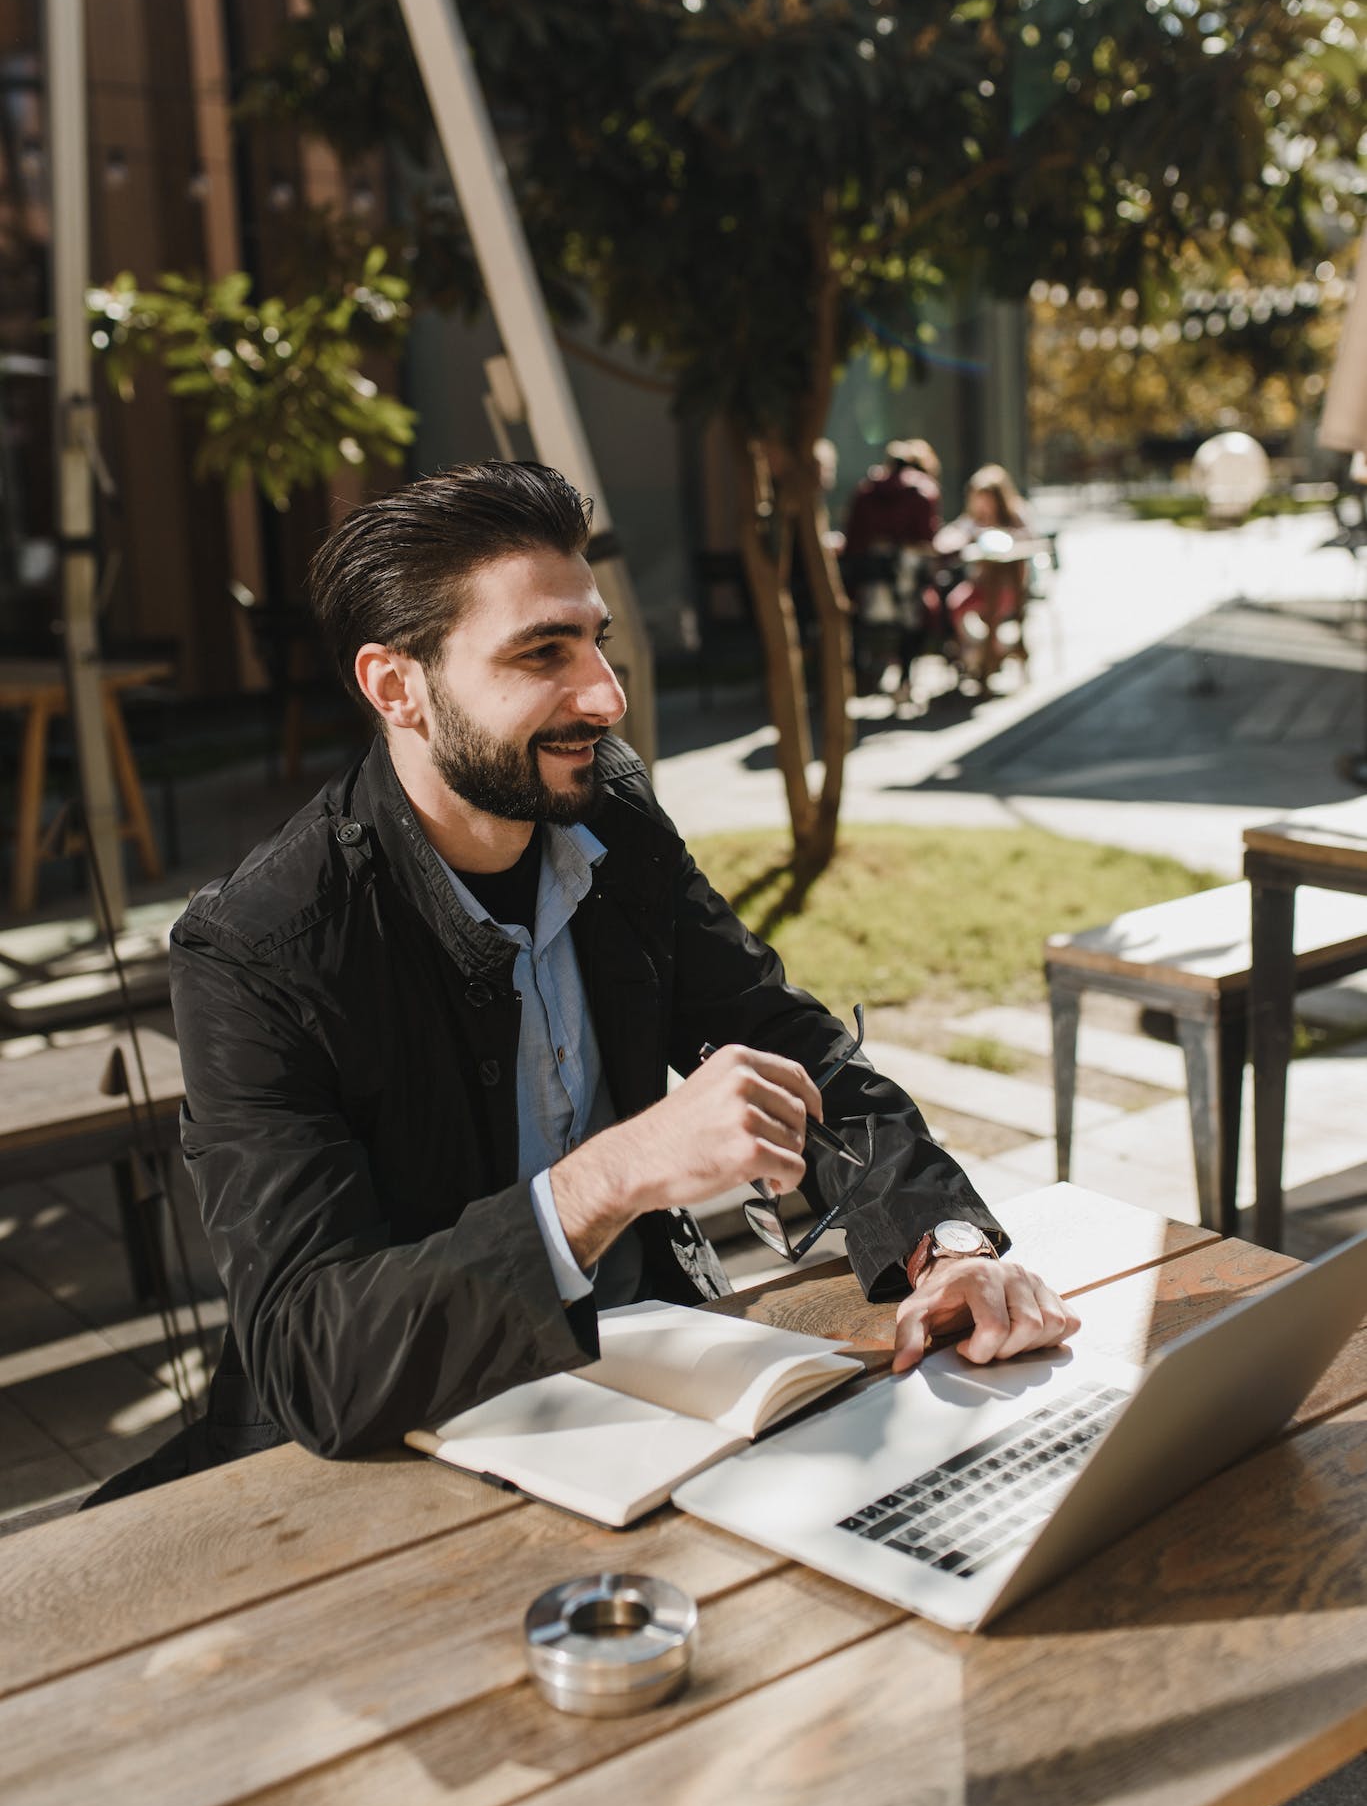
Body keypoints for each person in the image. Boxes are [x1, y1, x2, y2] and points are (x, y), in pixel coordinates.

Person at [88, 461, 1076, 1501]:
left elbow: (785, 1041)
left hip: (661, 1392)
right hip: (397, 1461)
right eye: (540, 653)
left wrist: (945, 1241)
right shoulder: (256, 948)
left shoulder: (604, 807)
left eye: (594, 639)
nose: (603, 694)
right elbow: (312, 1354)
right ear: (396, 686)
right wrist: (610, 1177)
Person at [838, 439, 945, 704]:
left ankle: (864, 675)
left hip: (867, 586)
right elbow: (927, 539)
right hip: (906, 585)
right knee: (919, 616)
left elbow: (852, 538)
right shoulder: (922, 490)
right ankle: (904, 682)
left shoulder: (866, 490)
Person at [936, 463, 1035, 685]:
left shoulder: (1015, 517)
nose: (983, 504)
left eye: (987, 498)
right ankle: (985, 652)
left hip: (1010, 587)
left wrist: (999, 535)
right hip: (979, 586)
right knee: (956, 604)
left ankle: (993, 653)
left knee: (991, 611)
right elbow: (949, 536)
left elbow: (1029, 540)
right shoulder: (972, 520)